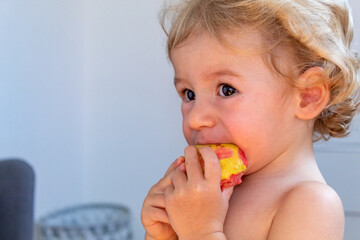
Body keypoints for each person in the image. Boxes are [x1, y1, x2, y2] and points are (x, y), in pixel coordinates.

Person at [141, 0, 360, 239]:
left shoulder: (312, 205)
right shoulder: (207, 192)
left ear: (307, 96)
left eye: (227, 90)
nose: (195, 118)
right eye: (189, 94)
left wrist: (201, 232)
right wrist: (163, 234)